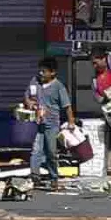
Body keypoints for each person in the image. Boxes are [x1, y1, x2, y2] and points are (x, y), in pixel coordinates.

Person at [29, 57, 74, 189]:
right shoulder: (35, 82)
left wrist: (71, 121)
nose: (40, 73)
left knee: (51, 152)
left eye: (44, 71)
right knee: (36, 151)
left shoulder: (58, 86)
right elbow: (28, 96)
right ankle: (35, 177)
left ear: (52, 72)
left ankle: (54, 178)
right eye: (40, 71)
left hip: (52, 124)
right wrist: (30, 103)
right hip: (38, 124)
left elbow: (67, 106)